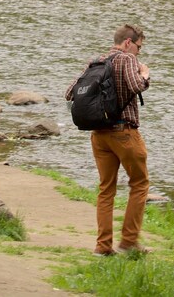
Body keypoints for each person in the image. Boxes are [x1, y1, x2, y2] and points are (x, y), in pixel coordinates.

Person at [65, 24, 151, 256]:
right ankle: (128, 243)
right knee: (140, 184)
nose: (139, 52)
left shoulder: (96, 62)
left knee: (106, 190)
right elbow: (136, 86)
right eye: (139, 46)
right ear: (127, 43)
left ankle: (103, 247)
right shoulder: (127, 59)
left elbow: (69, 93)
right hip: (124, 132)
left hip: (99, 135)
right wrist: (145, 74)